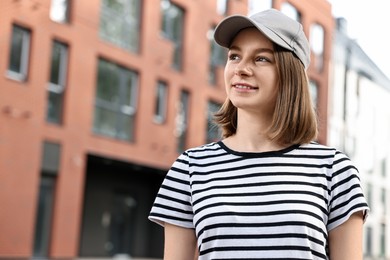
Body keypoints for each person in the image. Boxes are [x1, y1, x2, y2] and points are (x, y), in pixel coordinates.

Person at [149, 8, 369, 260]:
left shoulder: (333, 169)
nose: (241, 69)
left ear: (290, 75)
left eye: (261, 59)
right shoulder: (190, 168)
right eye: (234, 56)